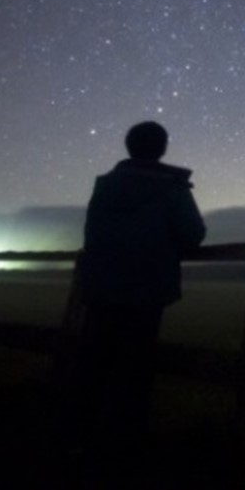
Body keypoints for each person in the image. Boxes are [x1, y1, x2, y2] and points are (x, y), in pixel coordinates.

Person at [71, 120, 206, 453]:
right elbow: (193, 235)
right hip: (146, 292)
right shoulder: (171, 187)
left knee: (92, 370)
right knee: (133, 375)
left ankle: (76, 445)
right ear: (162, 148)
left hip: (99, 290)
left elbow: (93, 236)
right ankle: (122, 452)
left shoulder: (105, 186)